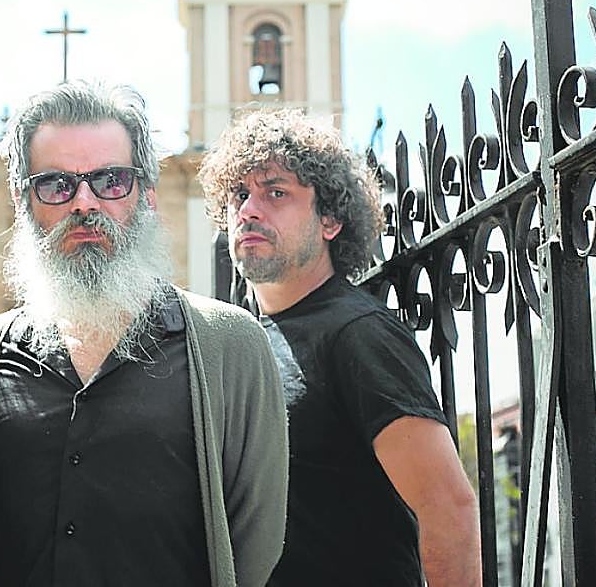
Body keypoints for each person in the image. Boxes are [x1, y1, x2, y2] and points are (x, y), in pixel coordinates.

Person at [0, 81, 287, 587]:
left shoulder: (231, 345)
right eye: (56, 185)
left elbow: (255, 543)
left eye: (111, 181)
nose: (84, 203)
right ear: (25, 205)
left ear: (147, 196)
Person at [198, 108, 481, 587]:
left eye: (276, 192)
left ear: (329, 220)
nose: (248, 209)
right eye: (239, 195)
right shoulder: (243, 339)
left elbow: (448, 508)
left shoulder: (359, 332)